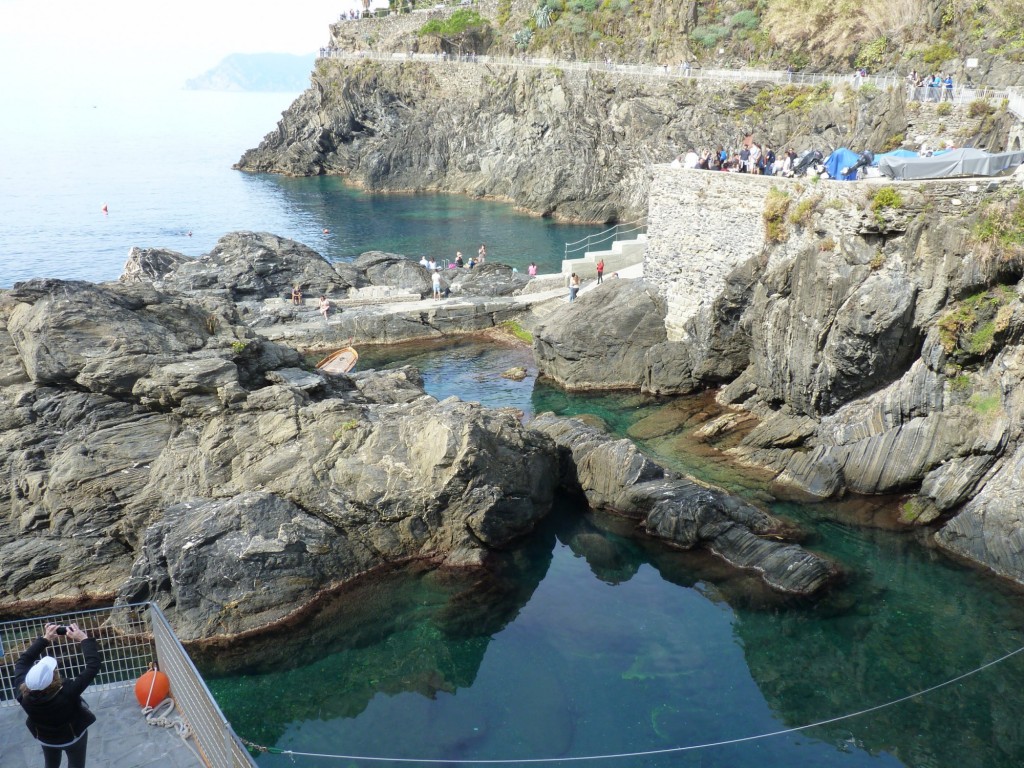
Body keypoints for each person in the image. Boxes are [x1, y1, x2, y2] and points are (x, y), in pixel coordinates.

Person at [15, 622, 102, 768]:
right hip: (72, 737)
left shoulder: (22, 693)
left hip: (45, 738)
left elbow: (22, 662)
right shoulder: (67, 692)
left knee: (51, 764)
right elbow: (93, 665)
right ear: (52, 678)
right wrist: (83, 639)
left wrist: (45, 638)